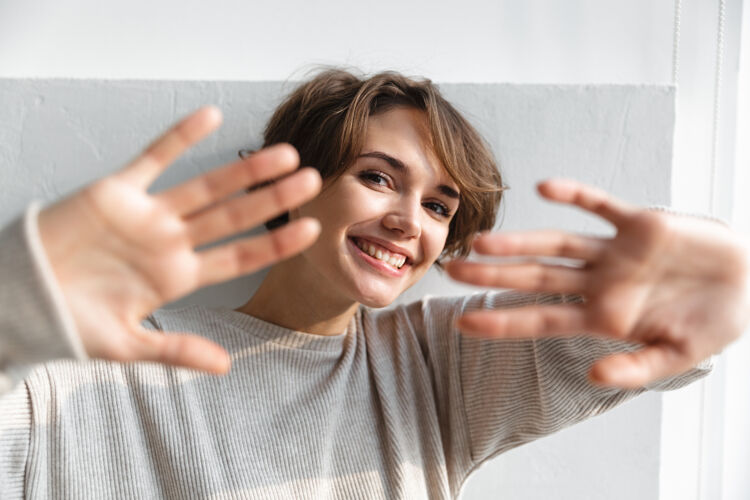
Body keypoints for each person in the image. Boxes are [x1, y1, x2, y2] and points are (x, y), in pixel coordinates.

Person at [0, 69, 746, 499]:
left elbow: (650, 317)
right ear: (297, 185)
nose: (407, 221)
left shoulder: (433, 366)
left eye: (437, 206)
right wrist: (15, 304)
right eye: (378, 178)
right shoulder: (91, 367)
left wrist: (702, 276)